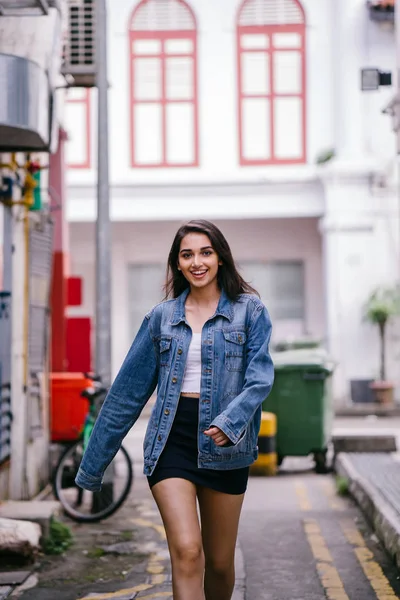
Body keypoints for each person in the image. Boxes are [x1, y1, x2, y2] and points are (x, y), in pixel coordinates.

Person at [75, 220, 274, 600]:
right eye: (187, 255)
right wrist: (92, 466)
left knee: (218, 563)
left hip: (225, 444)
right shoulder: (161, 318)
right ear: (177, 264)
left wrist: (231, 422)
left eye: (205, 252)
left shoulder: (250, 312)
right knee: (186, 552)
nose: (197, 262)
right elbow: (126, 395)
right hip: (171, 441)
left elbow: (260, 379)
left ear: (220, 259)